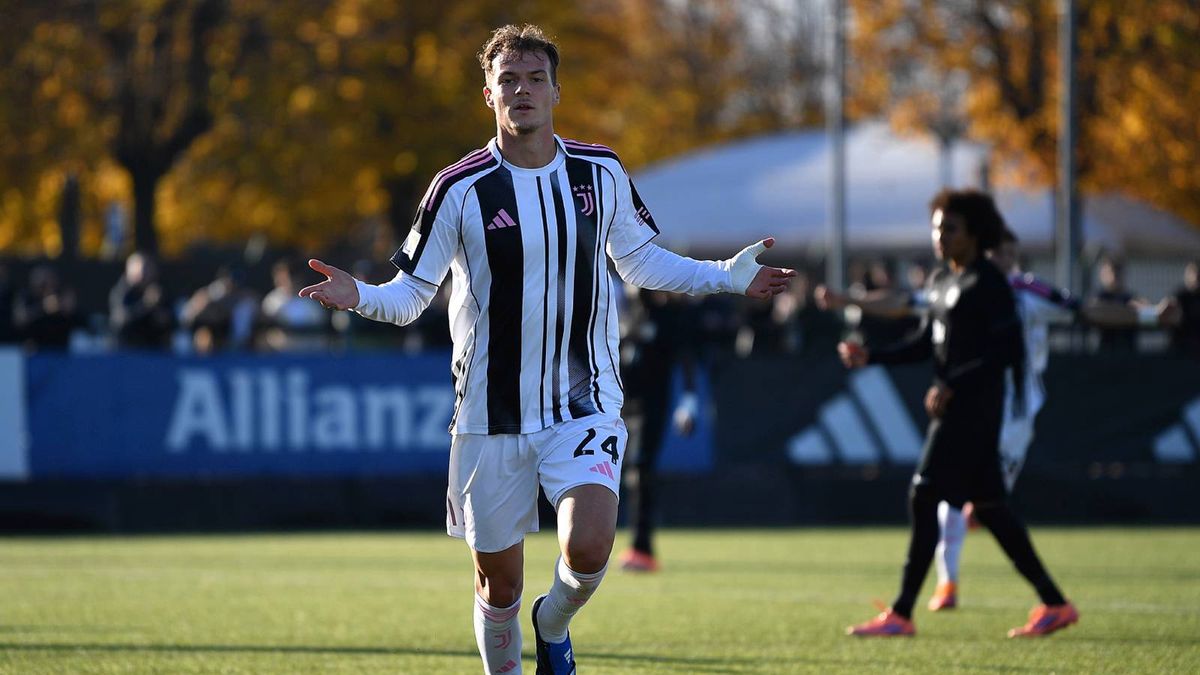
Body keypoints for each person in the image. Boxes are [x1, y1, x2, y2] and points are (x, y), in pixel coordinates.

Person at [298, 24, 795, 675]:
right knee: (497, 587)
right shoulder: (458, 188)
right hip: (487, 415)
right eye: (509, 80)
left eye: (535, 79)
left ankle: (553, 621)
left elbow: (641, 262)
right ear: (488, 94)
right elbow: (411, 296)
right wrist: (359, 293)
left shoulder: (600, 172)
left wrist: (724, 276)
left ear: (557, 91)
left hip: (582, 401)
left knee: (588, 546)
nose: (522, 91)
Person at [838, 189, 1077, 638]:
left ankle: (901, 613)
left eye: (950, 228)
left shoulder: (988, 285)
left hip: (974, 411)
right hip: (956, 407)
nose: (939, 236)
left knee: (923, 493)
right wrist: (871, 357)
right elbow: (925, 343)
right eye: (936, 228)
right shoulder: (942, 283)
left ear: (974, 234)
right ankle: (1055, 603)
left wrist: (953, 383)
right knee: (993, 509)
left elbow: (1005, 352)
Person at [616, 288, 699, 573]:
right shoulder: (627, 317)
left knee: (641, 471)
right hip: (622, 409)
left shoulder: (667, 317)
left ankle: (642, 547)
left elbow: (685, 360)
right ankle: (623, 543)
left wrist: (688, 403)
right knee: (620, 475)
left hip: (651, 409)